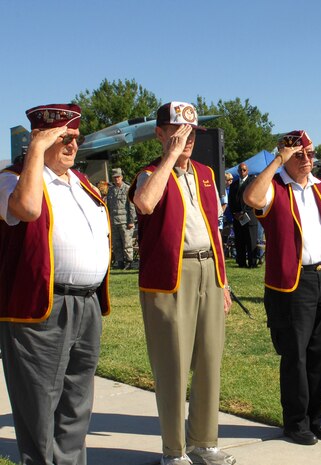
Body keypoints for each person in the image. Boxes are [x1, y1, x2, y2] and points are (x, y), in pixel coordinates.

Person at [0, 104, 111, 465]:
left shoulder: (80, 182)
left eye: (75, 138)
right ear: (40, 138)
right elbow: (28, 210)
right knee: (39, 407)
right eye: (61, 137)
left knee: (77, 403)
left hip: (87, 304)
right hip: (41, 308)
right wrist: (34, 151)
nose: (71, 145)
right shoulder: (12, 179)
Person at [129, 101, 234, 465]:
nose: (185, 139)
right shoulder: (149, 173)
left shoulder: (206, 173)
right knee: (172, 364)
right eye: (176, 131)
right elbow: (145, 203)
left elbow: (214, 229)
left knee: (209, 360)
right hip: (171, 278)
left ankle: (204, 442)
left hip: (208, 270)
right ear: (160, 133)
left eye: (190, 132)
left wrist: (224, 280)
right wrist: (169, 160)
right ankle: (174, 451)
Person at [243, 130, 321, 446]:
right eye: (299, 154)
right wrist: (279, 159)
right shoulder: (275, 188)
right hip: (293, 283)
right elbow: (251, 198)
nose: (307, 159)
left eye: (311, 153)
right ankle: (296, 421)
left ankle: (317, 417)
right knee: (296, 355)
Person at [229, 162, 259, 268]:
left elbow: (254, 199)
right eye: (240, 170)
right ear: (238, 171)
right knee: (239, 241)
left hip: (249, 216)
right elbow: (231, 201)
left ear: (248, 171)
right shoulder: (234, 185)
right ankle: (241, 262)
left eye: (244, 170)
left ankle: (252, 262)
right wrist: (234, 213)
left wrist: (244, 212)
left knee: (251, 241)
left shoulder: (253, 182)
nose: (242, 172)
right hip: (237, 218)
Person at [106, 167, 137, 269]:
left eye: (118, 177)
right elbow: (108, 206)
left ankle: (129, 262)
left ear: (122, 177)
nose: (116, 179)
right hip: (114, 221)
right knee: (116, 243)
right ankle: (120, 262)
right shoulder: (110, 191)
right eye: (114, 177)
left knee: (127, 242)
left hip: (125, 221)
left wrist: (131, 221)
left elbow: (132, 206)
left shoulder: (127, 189)